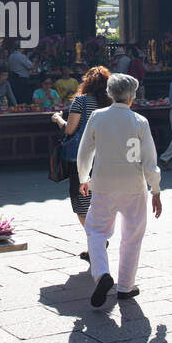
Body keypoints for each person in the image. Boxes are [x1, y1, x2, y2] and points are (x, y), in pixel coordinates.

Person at [75, 73, 163, 308]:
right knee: (132, 235)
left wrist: (84, 177)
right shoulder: (140, 121)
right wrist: (155, 189)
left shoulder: (97, 117)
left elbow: (85, 151)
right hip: (133, 184)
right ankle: (125, 286)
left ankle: (102, 273)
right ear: (132, 96)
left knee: (95, 231)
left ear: (109, 94)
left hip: (103, 183)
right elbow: (149, 159)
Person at [51, 66, 112, 237]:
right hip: (107, 156)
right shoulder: (112, 102)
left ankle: (95, 240)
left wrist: (57, 119)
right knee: (102, 200)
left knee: (82, 202)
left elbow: (70, 129)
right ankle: (100, 237)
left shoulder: (81, 101)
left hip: (84, 155)